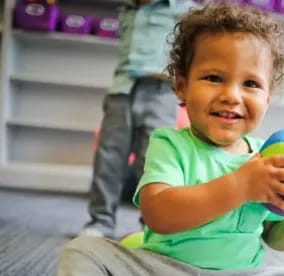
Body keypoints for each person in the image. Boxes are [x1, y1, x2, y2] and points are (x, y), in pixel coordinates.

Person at [54, 4, 284, 276]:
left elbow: (273, 239)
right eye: (213, 78)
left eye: (250, 84)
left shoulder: (266, 158)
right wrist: (239, 186)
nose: (231, 95)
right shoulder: (171, 143)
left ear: (268, 97)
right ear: (181, 87)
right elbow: (159, 214)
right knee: (85, 251)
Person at [82, 0, 200, 238]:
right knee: (108, 158)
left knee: (154, 160)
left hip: (160, 90)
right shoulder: (127, 9)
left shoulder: (185, 10)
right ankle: (101, 221)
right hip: (123, 89)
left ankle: (151, 224)